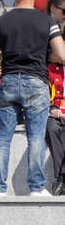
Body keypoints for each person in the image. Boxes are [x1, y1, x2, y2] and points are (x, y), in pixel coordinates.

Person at [0, 0, 65, 196]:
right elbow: (62, 55)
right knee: (36, 137)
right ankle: (36, 187)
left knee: (2, 138)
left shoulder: (1, 21)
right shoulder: (47, 21)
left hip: (9, 80)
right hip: (37, 82)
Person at [46, 60, 65, 195]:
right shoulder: (51, 69)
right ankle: (61, 176)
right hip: (57, 111)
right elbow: (44, 93)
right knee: (50, 128)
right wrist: (52, 107)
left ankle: (61, 178)